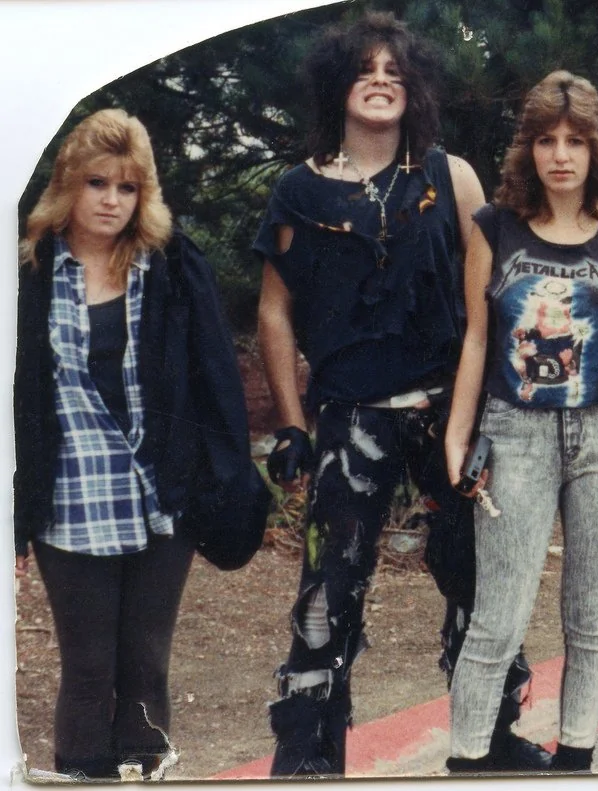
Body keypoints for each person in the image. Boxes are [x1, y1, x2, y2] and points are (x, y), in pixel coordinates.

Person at [254, 13, 548, 776]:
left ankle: (490, 739)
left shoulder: (450, 178)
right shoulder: (299, 189)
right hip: (350, 418)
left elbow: (488, 303)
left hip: (445, 417)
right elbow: (275, 312)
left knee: (477, 578)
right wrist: (290, 422)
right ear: (337, 86)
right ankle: (310, 756)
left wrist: (486, 415)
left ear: (413, 85)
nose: (381, 79)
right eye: (364, 68)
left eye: (395, 68)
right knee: (328, 590)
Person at [14, 108, 254, 779]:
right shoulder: (28, 273)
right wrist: (15, 523)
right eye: (98, 184)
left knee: (145, 662)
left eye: (127, 187)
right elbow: (19, 403)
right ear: (70, 185)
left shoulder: (171, 264)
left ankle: (148, 773)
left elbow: (216, 381)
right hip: (71, 498)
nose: (111, 200)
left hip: (160, 496)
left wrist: (222, 481)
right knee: (89, 667)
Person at [444, 70, 598, 774]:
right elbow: (477, 338)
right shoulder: (494, 227)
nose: (561, 155)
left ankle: (574, 763)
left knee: (593, 616)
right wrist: (459, 435)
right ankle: (468, 763)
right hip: (516, 433)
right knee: (498, 616)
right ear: (528, 149)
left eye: (575, 140)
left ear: (597, 148)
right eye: (546, 140)